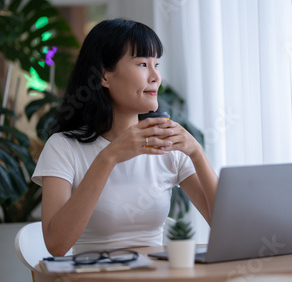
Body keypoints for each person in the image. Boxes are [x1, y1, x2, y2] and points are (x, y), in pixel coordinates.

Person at [32, 18, 218, 257]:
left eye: (156, 64)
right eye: (142, 64)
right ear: (104, 76)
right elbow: (57, 244)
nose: (155, 77)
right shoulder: (63, 147)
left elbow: (228, 228)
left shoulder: (167, 143)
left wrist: (197, 154)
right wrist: (109, 157)